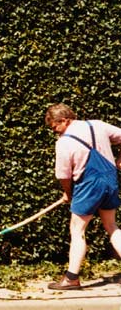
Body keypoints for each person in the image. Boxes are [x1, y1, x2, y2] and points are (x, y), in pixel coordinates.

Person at [44, 103, 121, 290]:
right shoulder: (98, 125)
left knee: (77, 230)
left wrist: (68, 193)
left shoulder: (63, 142)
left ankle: (71, 278)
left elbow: (63, 175)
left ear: (64, 120)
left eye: (55, 128)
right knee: (112, 226)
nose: (56, 132)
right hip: (110, 181)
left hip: (88, 185)